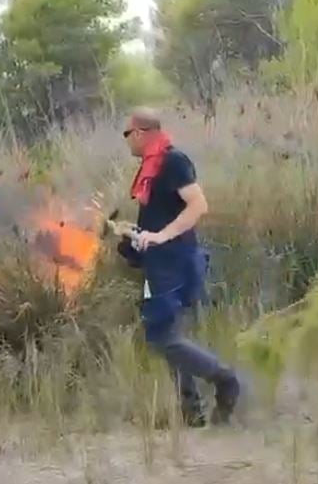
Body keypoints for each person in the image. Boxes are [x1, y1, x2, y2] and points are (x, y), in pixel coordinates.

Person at [117, 107, 240, 426]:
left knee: (161, 336)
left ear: (140, 133)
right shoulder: (152, 166)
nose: (126, 140)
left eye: (127, 134)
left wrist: (161, 236)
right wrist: (134, 235)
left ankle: (225, 380)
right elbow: (160, 216)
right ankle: (191, 412)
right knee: (169, 334)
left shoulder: (172, 161)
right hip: (159, 263)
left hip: (174, 262)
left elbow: (198, 205)